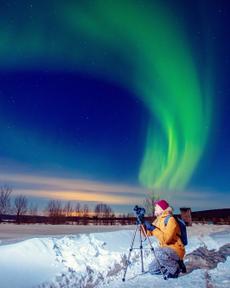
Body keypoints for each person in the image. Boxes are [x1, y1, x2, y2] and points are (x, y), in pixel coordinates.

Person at [144, 199, 186, 279]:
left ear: (162, 208)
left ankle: (175, 270)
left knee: (158, 252)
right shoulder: (157, 220)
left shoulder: (171, 220)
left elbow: (166, 239)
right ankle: (177, 264)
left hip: (175, 249)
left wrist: (153, 229)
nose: (155, 207)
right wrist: (143, 225)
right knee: (152, 269)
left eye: (156, 206)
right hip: (164, 251)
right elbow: (147, 234)